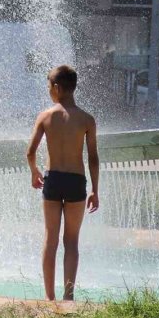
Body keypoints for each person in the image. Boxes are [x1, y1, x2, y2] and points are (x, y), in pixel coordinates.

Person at [26, 65, 99, 301]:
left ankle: (49, 298)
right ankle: (69, 297)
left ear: (56, 88)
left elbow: (30, 152)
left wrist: (34, 171)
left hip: (54, 179)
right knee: (71, 241)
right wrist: (95, 191)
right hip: (76, 181)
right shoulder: (87, 119)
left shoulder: (46, 116)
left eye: (49, 87)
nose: (49, 91)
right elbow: (93, 158)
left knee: (51, 239)